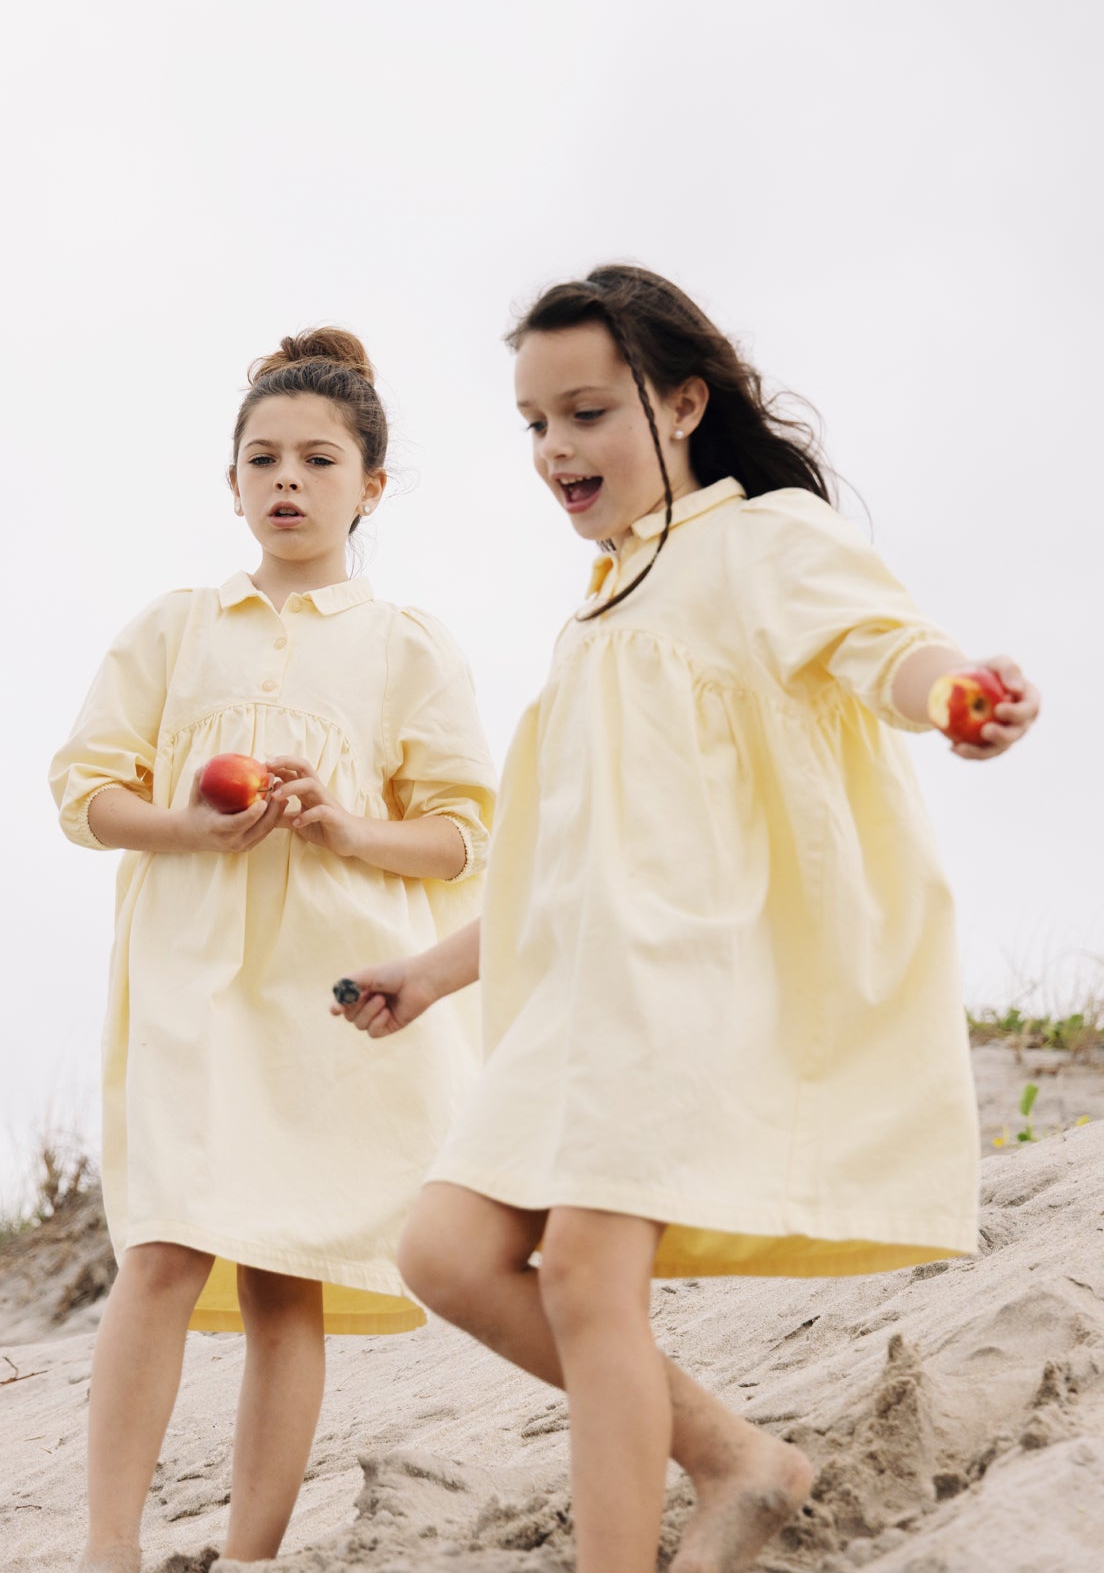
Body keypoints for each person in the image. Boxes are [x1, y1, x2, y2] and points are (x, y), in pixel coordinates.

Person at [334, 267, 1041, 1573]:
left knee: (594, 1276)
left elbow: (886, 644)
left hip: (690, 977)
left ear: (682, 403)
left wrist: (955, 694)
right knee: (444, 1246)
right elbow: (562, 862)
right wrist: (432, 971)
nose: (557, 448)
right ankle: (733, 1456)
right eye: (536, 422)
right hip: (585, 995)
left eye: (589, 410)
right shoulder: (593, 617)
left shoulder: (761, 541)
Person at [49, 328, 495, 1573]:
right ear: (231, 481)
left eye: (318, 457)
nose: (287, 478)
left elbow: (465, 837)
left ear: (372, 485)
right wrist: (187, 823)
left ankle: (249, 1556)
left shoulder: (407, 644)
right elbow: (83, 792)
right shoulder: (176, 626)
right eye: (263, 457)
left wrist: (345, 822)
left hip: (327, 997)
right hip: (189, 979)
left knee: (283, 1273)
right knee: (162, 1248)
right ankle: (109, 1549)